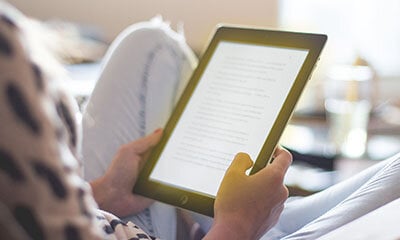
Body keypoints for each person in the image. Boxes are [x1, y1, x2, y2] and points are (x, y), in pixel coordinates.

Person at [1, 3, 399, 240]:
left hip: (106, 215)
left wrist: (105, 192)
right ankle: (265, 222)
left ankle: (265, 217)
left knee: (150, 43)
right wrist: (235, 226)